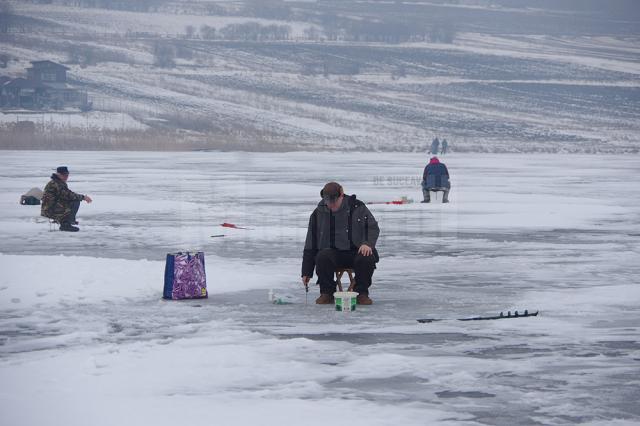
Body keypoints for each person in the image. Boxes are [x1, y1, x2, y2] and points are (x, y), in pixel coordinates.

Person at [301, 182, 380, 305]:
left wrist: (367, 243)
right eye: (328, 202)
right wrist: (306, 271)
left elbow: (372, 228)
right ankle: (326, 293)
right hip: (333, 253)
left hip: (356, 251)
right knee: (322, 256)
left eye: (334, 202)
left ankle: (361, 294)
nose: (331, 205)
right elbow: (311, 243)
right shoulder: (318, 213)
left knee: (366, 256)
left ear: (341, 195)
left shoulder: (357, 207)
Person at [41, 166, 92, 232]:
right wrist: (83, 197)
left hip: (52, 206)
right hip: (50, 208)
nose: (66, 177)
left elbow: (68, 193)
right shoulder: (56, 183)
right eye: (64, 175)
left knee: (73, 200)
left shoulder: (59, 182)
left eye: (67, 175)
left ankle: (67, 221)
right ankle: (65, 224)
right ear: (58, 174)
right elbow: (68, 195)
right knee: (75, 201)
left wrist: (82, 197)